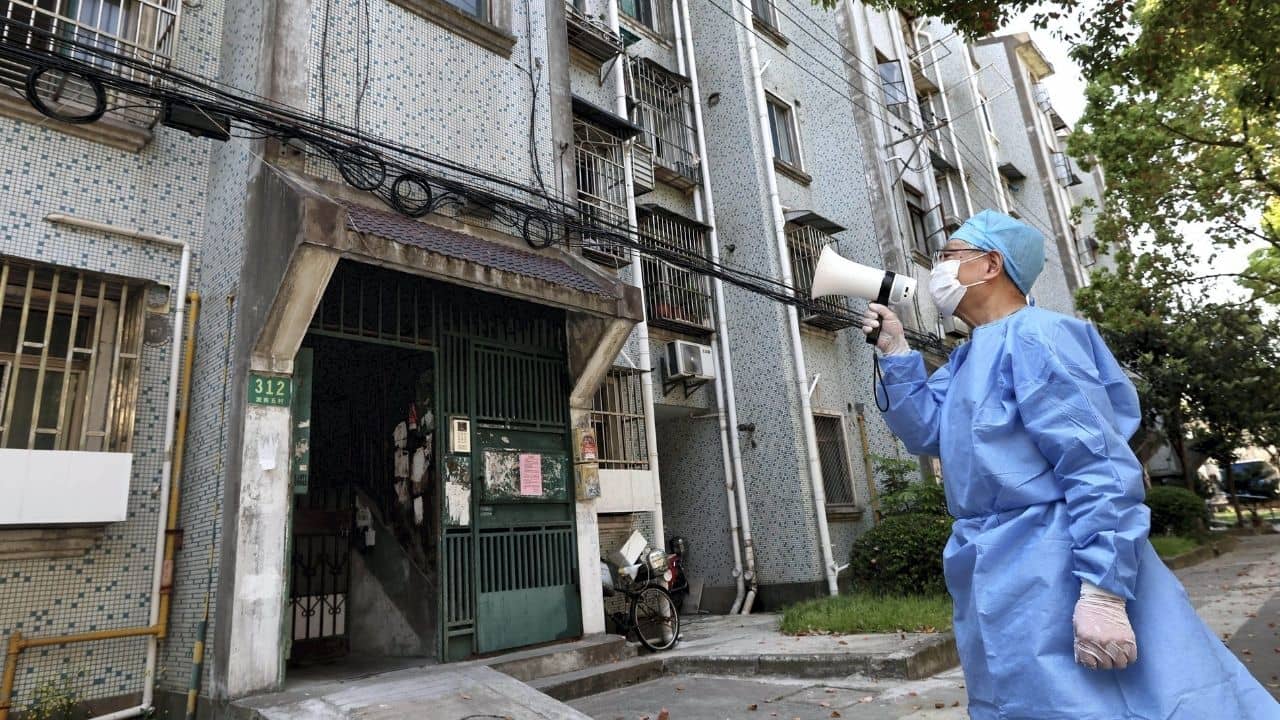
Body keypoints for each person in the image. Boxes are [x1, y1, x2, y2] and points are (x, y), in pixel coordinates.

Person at [862, 209, 1279, 719]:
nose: (938, 271)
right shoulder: (970, 356)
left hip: (1056, 559)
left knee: (1099, 703)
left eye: (949, 256)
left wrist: (1103, 590)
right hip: (993, 567)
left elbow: (1096, 466)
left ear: (991, 264)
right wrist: (896, 351)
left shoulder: (1040, 336)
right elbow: (929, 432)